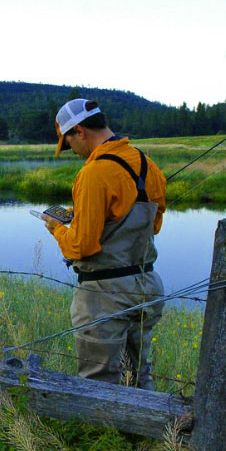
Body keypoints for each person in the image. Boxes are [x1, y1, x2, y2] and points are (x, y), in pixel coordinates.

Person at [41, 99, 167, 390]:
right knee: (138, 375)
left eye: (69, 141)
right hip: (147, 286)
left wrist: (57, 228)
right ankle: (146, 434)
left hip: (103, 295)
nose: (72, 149)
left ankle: (103, 435)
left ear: (81, 131)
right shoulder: (146, 163)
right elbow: (154, 226)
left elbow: (81, 247)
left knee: (99, 384)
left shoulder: (93, 173)